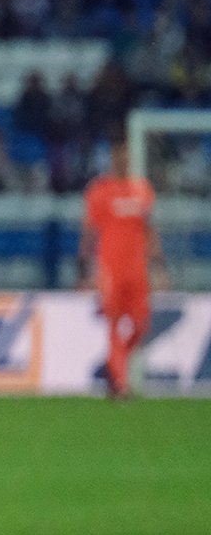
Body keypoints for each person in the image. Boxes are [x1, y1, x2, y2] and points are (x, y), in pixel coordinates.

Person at [81, 150, 167, 399]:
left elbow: (150, 228)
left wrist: (159, 265)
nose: (122, 163)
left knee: (142, 324)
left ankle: (114, 364)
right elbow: (88, 230)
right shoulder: (99, 191)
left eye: (126, 159)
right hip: (111, 270)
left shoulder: (142, 190)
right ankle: (120, 384)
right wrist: (86, 268)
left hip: (137, 269)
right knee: (114, 326)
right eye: (119, 158)